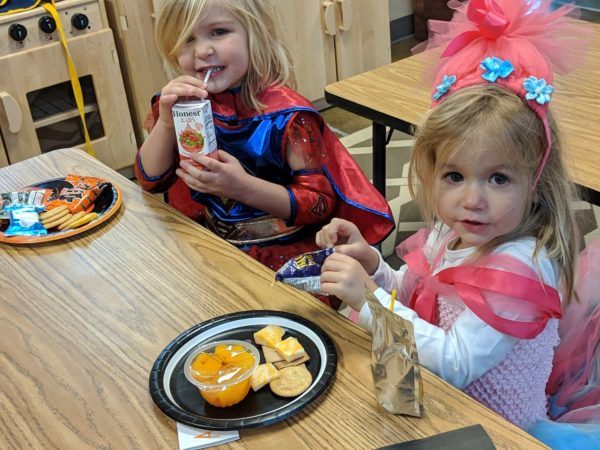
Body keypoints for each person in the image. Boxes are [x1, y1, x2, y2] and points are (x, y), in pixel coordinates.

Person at [317, 0, 599, 445]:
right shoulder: (455, 232)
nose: (472, 200)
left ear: (535, 181)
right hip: (446, 406)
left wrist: (369, 301)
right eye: (454, 175)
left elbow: (455, 360)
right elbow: (412, 295)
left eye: (498, 178)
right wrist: (373, 267)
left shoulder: (519, 270)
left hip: (497, 433)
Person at [135, 0, 394, 309]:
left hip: (283, 260)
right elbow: (150, 180)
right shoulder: (184, 106)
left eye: (218, 32)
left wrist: (240, 187)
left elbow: (320, 204)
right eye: (187, 39)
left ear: (253, 35)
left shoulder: (287, 118)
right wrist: (166, 120)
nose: (202, 50)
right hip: (214, 249)